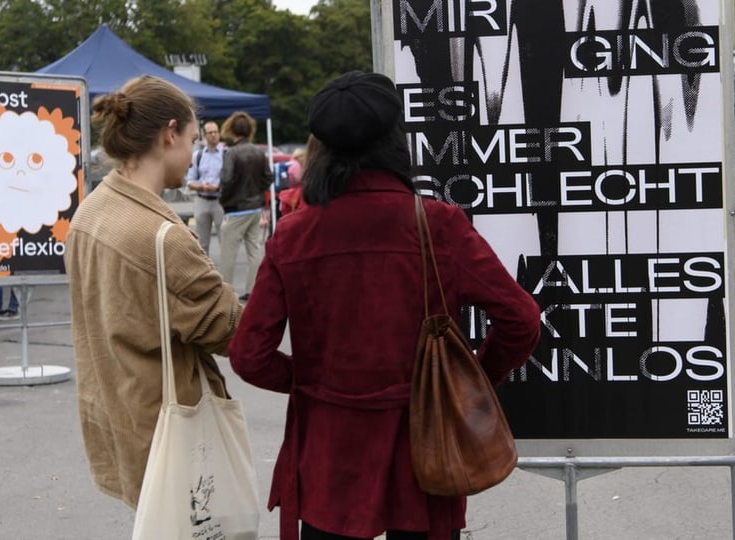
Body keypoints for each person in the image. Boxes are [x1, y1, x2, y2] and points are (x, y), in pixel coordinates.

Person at [228, 71, 541, 540]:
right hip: (426, 441)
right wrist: (467, 380)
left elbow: (248, 356)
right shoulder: (439, 226)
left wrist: (309, 381)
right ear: (397, 140)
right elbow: (522, 320)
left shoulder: (293, 235)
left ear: (322, 148)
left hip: (329, 448)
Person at [64, 75, 243, 511]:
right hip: (167, 427)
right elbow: (230, 330)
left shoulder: (88, 212)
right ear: (169, 134)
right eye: (191, 138)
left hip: (116, 413)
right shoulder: (163, 236)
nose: (193, 151)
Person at [218, 111, 271, 301]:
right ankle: (253, 288)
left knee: (228, 253)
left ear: (232, 130)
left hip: (236, 209)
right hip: (255, 207)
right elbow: (269, 177)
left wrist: (224, 201)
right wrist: (257, 191)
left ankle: (225, 292)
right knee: (254, 250)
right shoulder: (258, 152)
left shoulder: (231, 152)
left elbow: (227, 180)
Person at [184, 120, 225, 256]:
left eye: (216, 132)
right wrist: (202, 186)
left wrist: (218, 186)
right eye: (210, 132)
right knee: (202, 242)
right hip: (202, 200)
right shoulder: (198, 156)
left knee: (224, 238)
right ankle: (205, 271)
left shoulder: (225, 154)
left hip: (221, 200)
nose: (213, 135)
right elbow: (190, 181)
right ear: (205, 136)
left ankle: (225, 271)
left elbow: (232, 179)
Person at [277, 145, 308, 216]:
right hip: (292, 193)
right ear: (301, 157)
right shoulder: (296, 165)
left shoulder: (290, 163)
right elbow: (297, 179)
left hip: (286, 192)